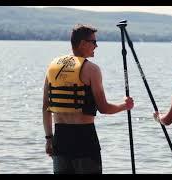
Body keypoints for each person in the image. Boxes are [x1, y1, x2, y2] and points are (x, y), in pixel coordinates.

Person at [42, 24, 134, 174]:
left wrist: (48, 138)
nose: (96, 46)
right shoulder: (91, 69)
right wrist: (124, 105)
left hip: (60, 139)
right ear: (83, 43)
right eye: (93, 42)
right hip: (84, 139)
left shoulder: (53, 67)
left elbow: (45, 107)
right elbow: (104, 108)